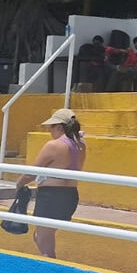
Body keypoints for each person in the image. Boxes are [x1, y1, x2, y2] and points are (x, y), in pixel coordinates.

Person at [16, 109, 86, 258]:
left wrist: (19, 184)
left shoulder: (53, 145)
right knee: (41, 237)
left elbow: (31, 173)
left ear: (59, 127)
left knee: (43, 241)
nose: (49, 130)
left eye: (51, 127)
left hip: (51, 197)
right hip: (70, 196)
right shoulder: (80, 146)